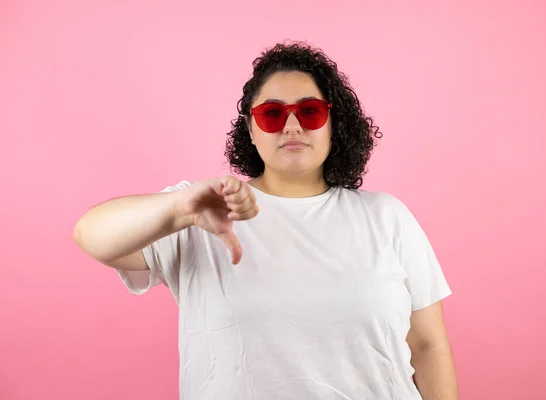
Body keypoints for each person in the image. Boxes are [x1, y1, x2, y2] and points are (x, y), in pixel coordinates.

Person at [73, 42, 458, 400]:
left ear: (331, 122)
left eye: (309, 111)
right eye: (272, 114)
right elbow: (91, 235)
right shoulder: (204, 208)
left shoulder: (386, 216)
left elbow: (428, 345)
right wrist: (178, 209)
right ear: (251, 128)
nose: (292, 126)